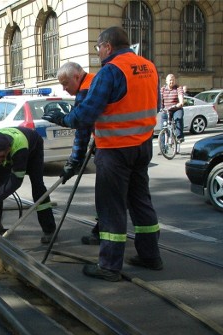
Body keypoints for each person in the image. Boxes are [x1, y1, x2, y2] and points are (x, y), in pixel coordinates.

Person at [42, 26, 163, 282]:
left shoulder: (109, 71)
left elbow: (86, 114)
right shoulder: (148, 67)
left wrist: (63, 119)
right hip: (142, 146)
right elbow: (156, 105)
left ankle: (109, 266)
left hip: (115, 150)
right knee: (141, 202)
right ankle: (151, 256)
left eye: (98, 48)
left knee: (111, 208)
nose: (98, 53)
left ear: (107, 46)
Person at [0, 127, 57, 244]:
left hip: (33, 149)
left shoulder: (19, 149)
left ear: (7, 151)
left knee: (38, 187)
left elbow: (16, 181)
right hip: (7, 152)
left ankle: (49, 229)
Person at [55, 61, 99, 246]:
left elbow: (82, 128)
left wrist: (74, 162)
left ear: (76, 77)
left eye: (65, 84)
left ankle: (103, 234)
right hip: (133, 145)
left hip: (112, 149)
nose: (64, 89)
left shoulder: (86, 90)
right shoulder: (95, 80)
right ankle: (148, 249)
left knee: (107, 196)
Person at [160, 74, 185, 150]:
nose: (172, 81)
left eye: (173, 80)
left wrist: (180, 103)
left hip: (176, 108)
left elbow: (181, 98)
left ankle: (179, 136)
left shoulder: (178, 88)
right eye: (170, 80)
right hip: (166, 110)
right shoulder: (163, 89)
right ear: (166, 81)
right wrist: (160, 107)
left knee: (178, 118)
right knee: (163, 128)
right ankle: (163, 148)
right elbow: (160, 100)